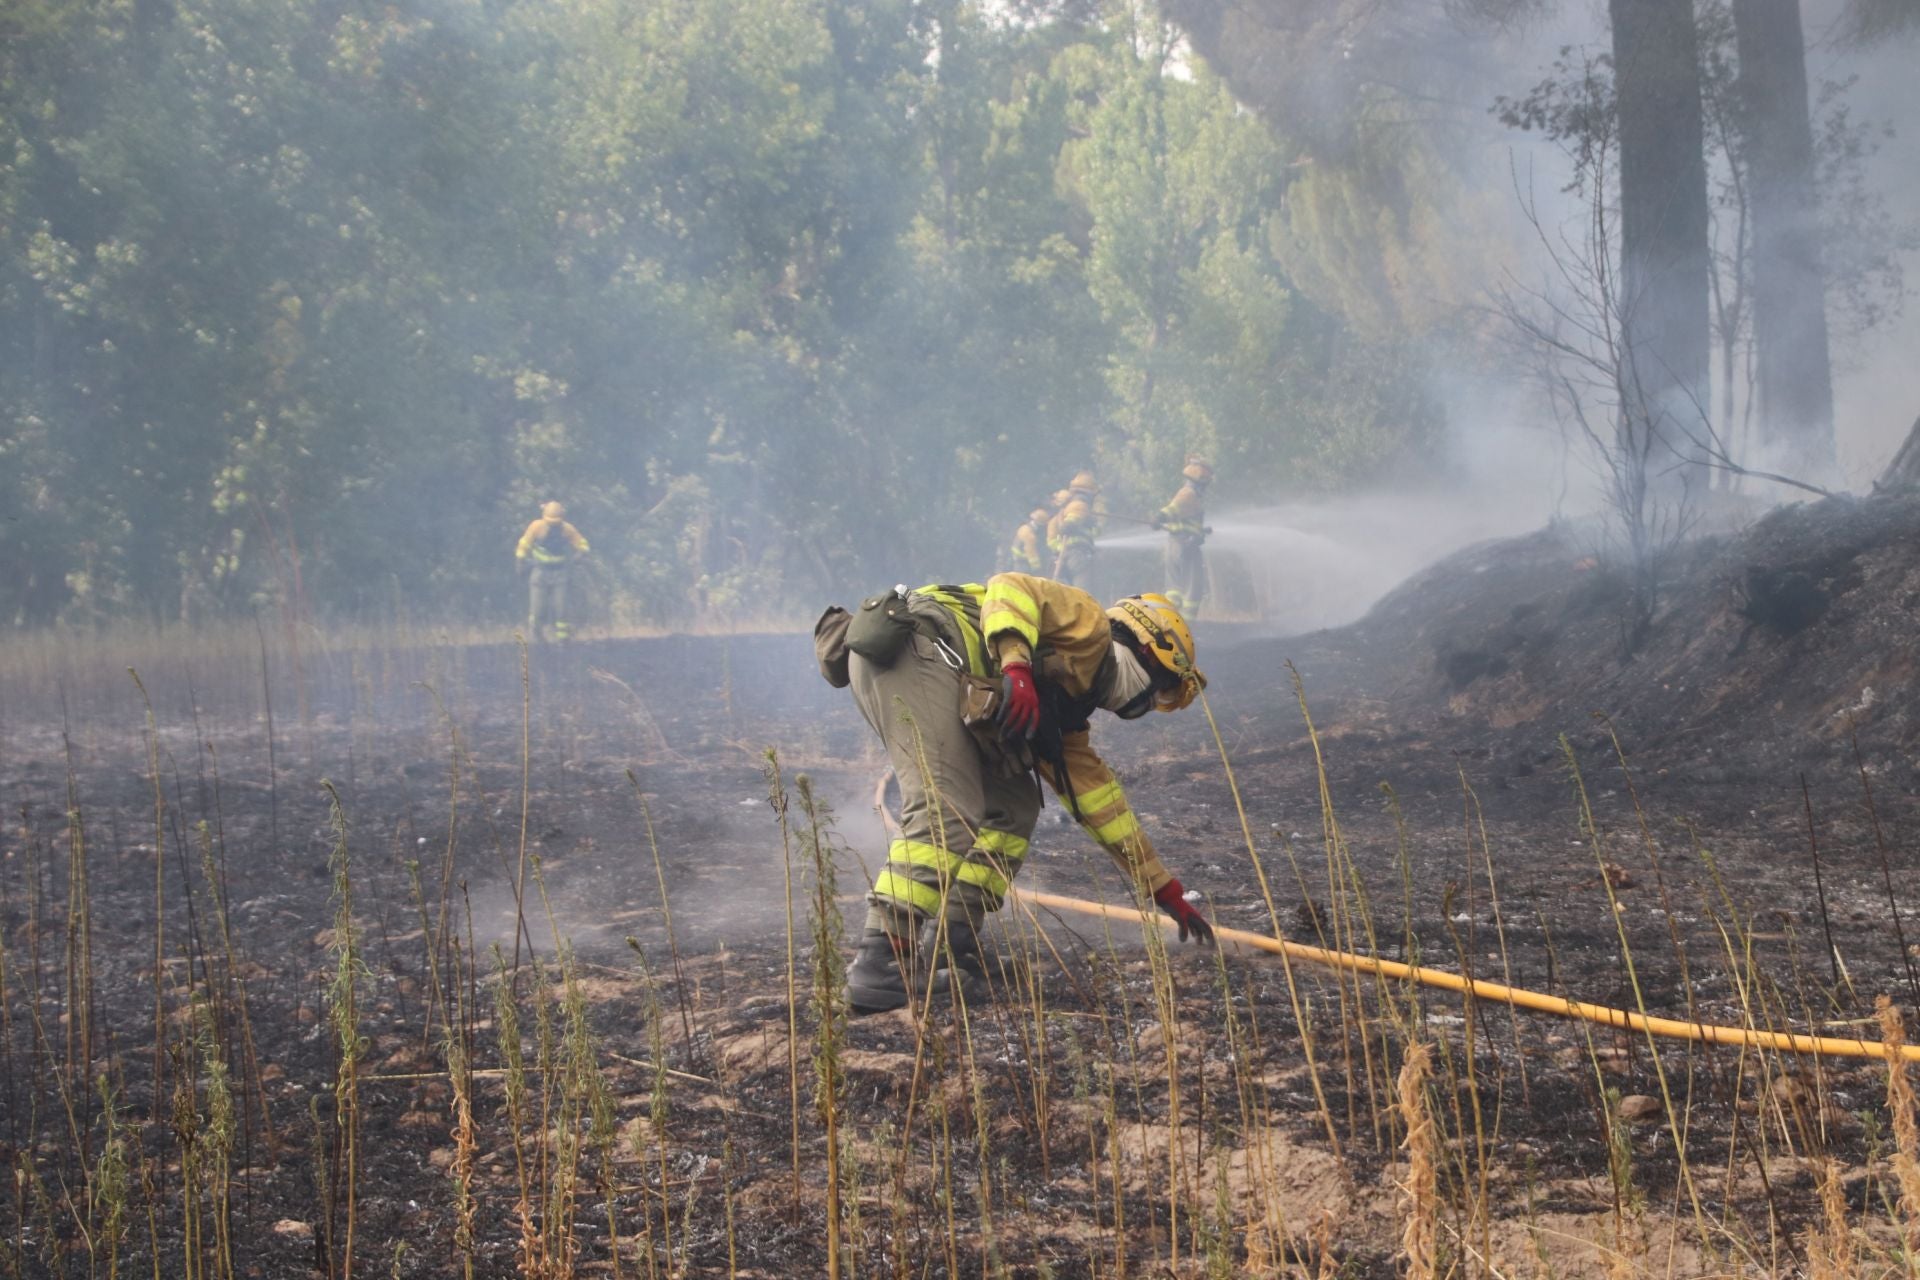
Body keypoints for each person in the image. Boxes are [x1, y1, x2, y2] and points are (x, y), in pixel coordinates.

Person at [830, 575, 1215, 1015]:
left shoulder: (1070, 709)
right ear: (1149, 654)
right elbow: (1010, 589)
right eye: (1154, 695)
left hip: (927, 663)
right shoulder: (1089, 624)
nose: (1141, 708)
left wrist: (1162, 889)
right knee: (946, 807)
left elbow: (1103, 806)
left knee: (1014, 806)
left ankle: (956, 941)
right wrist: (1016, 669)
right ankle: (882, 960)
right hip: (916, 648)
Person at [515, 501, 590, 642]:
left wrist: (581, 554)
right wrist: (520, 561)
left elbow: (583, 543)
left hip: (560, 574)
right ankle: (536, 637)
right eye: (551, 522)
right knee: (537, 610)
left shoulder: (567, 529)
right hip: (539, 572)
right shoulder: (536, 527)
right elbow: (524, 544)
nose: (553, 525)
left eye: (556, 522)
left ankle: (563, 641)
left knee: (561, 609)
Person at [1153, 455, 1213, 615]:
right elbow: (1175, 508)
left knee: (1173, 591)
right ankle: (1188, 627)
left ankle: (1170, 621)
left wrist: (1201, 531)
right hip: (1187, 545)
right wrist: (1161, 516)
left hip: (1175, 544)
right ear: (1200, 481)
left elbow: (1184, 519)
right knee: (1192, 593)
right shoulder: (1189, 494)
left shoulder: (1187, 493)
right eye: (1205, 483)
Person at [1050, 471, 1104, 588]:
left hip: (1065, 554)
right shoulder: (1080, 505)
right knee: (1082, 592)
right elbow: (1068, 526)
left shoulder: (1067, 507)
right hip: (1077, 554)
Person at [1008, 505, 1051, 574]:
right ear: (1039, 524)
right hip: (1024, 563)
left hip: (1021, 561)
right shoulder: (1028, 534)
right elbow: (1031, 552)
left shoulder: (1026, 528)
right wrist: (1037, 568)